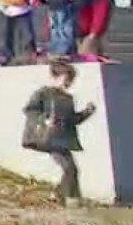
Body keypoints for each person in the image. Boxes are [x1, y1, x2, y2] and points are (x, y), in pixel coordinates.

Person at [22, 59, 98, 207]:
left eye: (71, 80)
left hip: (62, 139)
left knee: (72, 169)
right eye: (66, 79)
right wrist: (43, 120)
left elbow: (72, 120)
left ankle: (60, 195)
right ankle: (70, 198)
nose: (68, 83)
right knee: (69, 168)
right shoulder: (43, 93)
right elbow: (30, 110)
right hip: (47, 137)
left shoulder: (67, 99)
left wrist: (86, 113)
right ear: (55, 77)